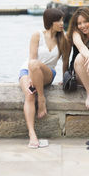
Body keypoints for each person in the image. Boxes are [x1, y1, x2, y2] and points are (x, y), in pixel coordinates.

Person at [19, 8, 70, 148]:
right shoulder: (37, 35)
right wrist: (30, 77)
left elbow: (65, 62)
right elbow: (32, 58)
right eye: (58, 20)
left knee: (36, 66)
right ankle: (32, 134)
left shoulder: (64, 39)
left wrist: (64, 78)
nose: (62, 23)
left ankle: (41, 99)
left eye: (62, 20)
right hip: (27, 70)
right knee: (29, 96)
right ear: (50, 22)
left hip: (48, 74)